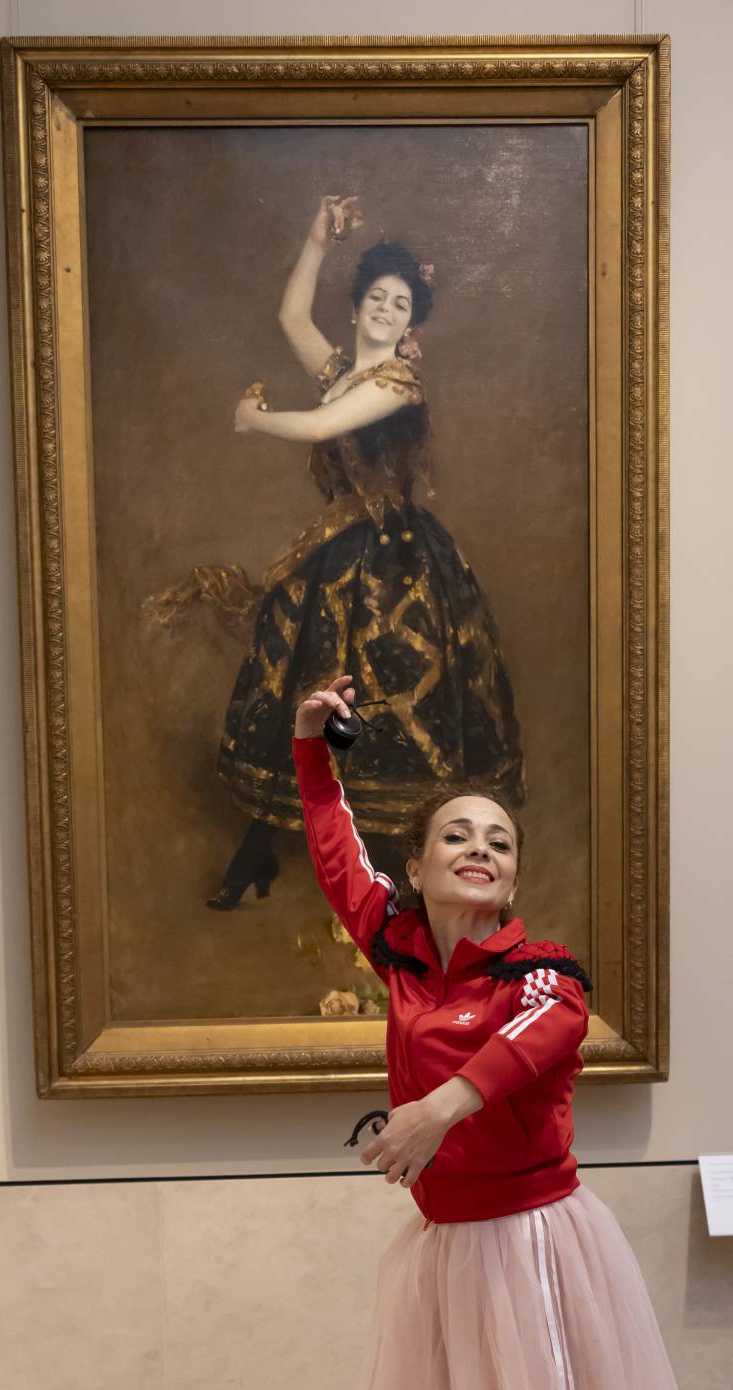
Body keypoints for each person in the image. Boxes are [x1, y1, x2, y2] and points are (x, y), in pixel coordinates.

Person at [259, 676, 733, 1390]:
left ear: (512, 876)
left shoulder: (545, 971)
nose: (477, 847)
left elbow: (538, 1044)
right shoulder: (400, 952)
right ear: (419, 869)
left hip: (534, 1253)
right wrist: (312, 746)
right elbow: (334, 856)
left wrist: (433, 1111)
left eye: (497, 838)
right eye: (452, 835)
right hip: (446, 1255)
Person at [146, 195, 523, 910]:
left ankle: (403, 878)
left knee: (392, 705)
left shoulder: (396, 385)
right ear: (358, 308)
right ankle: (260, 848)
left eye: (400, 302)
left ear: (413, 322)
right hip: (334, 561)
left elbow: (322, 429)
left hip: (397, 570)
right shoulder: (346, 370)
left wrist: (254, 421)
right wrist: (316, 239)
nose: (386, 309)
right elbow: (291, 318)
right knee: (298, 693)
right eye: (376, 297)